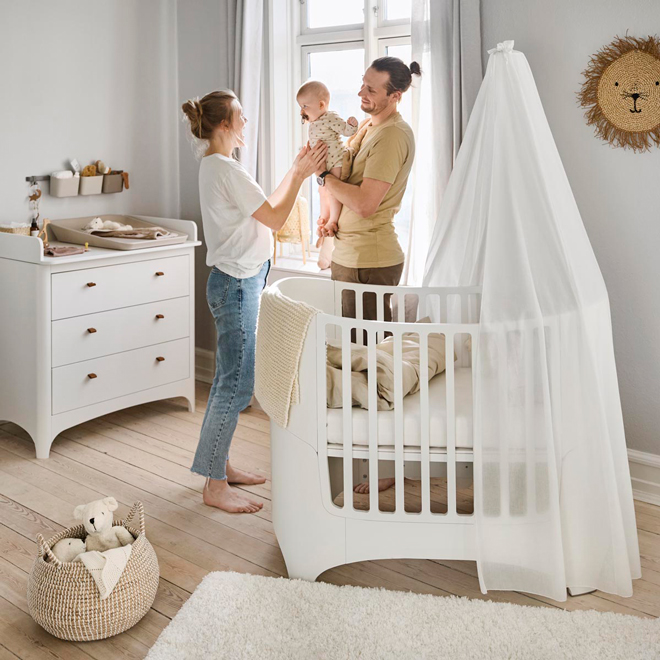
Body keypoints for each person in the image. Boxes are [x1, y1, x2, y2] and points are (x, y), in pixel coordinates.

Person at [182, 90, 327, 513]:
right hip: (236, 285)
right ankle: (214, 485)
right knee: (237, 385)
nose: (246, 122)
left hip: (238, 281)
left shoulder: (220, 167)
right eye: (240, 116)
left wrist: (295, 171)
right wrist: (299, 173)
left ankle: (218, 467)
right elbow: (278, 218)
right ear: (224, 124)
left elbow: (266, 209)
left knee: (229, 380)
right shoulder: (226, 170)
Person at [316, 57, 421, 493]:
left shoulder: (393, 135)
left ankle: (389, 463)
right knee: (358, 363)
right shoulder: (368, 126)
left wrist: (321, 177)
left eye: (373, 90)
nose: (362, 95)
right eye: (362, 85)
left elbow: (365, 204)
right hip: (351, 253)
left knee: (375, 365)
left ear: (395, 95)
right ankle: (360, 452)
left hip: (371, 259)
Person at [296, 80, 358, 269]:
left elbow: (346, 131)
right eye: (301, 107)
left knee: (333, 191)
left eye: (305, 106)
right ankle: (324, 215)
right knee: (322, 191)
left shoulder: (330, 117)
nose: (302, 111)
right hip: (322, 163)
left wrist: (352, 125)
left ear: (321, 105)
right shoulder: (313, 121)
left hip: (336, 160)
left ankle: (333, 219)